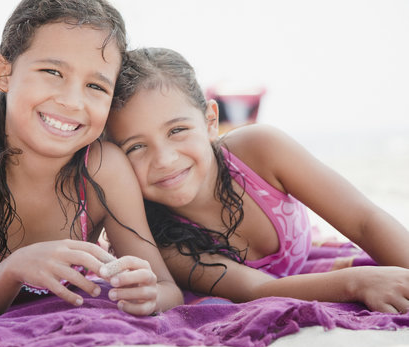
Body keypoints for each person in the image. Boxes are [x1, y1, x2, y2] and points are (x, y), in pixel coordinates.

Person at [0, 2, 183, 322]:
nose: (71, 101)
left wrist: (147, 295)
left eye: (96, 86)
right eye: (52, 72)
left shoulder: (102, 169)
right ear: (4, 72)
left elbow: (168, 289)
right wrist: (14, 268)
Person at [106, 47, 409, 314]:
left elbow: (363, 221)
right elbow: (257, 291)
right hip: (261, 285)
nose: (164, 159)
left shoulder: (259, 149)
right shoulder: (163, 239)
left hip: (308, 254)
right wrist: (357, 282)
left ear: (211, 122)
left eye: (177, 130)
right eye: (136, 147)